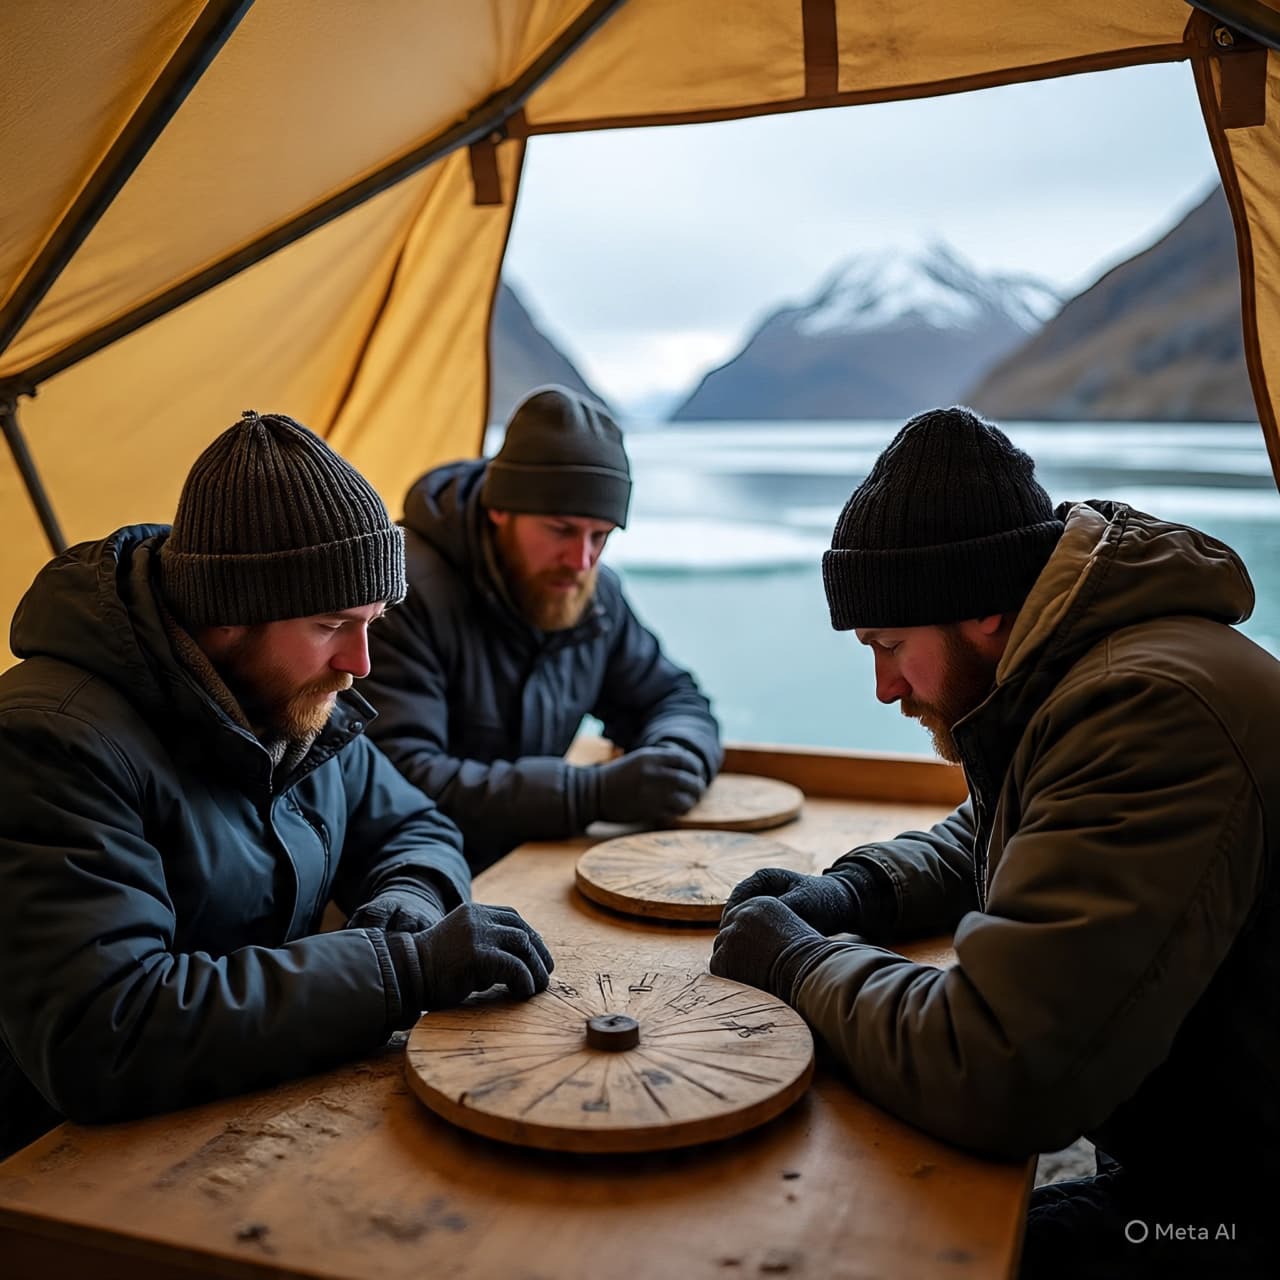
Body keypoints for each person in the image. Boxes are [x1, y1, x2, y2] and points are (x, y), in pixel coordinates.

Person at [711, 407, 1278, 1277]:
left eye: (891, 644)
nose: (883, 686)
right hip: (1202, 1151)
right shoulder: (1097, 669)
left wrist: (797, 965)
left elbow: (1001, 1068)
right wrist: (861, 890)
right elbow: (1017, 821)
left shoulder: (1151, 710)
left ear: (981, 609)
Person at [0, 411, 553, 1159]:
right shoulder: (49, 742)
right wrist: (400, 969)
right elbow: (106, 1032)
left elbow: (413, 827)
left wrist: (407, 904)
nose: (360, 661)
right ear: (228, 614)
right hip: (55, 1172)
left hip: (233, 1113)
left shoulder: (290, 702)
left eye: (373, 621)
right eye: (332, 624)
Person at [362, 385, 723, 871]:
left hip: (528, 863)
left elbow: (673, 697)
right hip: (413, 883)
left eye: (601, 536)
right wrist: (586, 795)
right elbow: (398, 776)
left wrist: (679, 759)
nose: (581, 560)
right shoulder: (403, 593)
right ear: (500, 507)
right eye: (561, 530)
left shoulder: (592, 594)